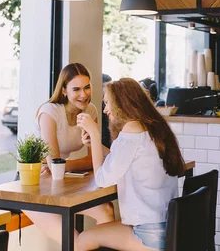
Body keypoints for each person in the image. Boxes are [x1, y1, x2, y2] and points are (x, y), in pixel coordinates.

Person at [76, 78, 186, 251]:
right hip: (169, 228)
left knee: (83, 239)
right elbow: (123, 158)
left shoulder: (132, 128)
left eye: (107, 103)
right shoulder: (153, 127)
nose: (105, 110)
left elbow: (102, 179)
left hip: (148, 235)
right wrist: (96, 145)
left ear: (122, 103)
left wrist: (95, 134)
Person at [24, 63, 114, 245]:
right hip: (34, 186)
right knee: (74, 242)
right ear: (64, 90)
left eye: (87, 87)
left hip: (59, 180)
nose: (84, 94)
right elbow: (54, 163)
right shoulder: (50, 112)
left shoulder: (90, 111)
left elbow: (91, 158)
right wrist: (58, 166)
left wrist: (63, 167)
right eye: (76, 89)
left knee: (106, 210)